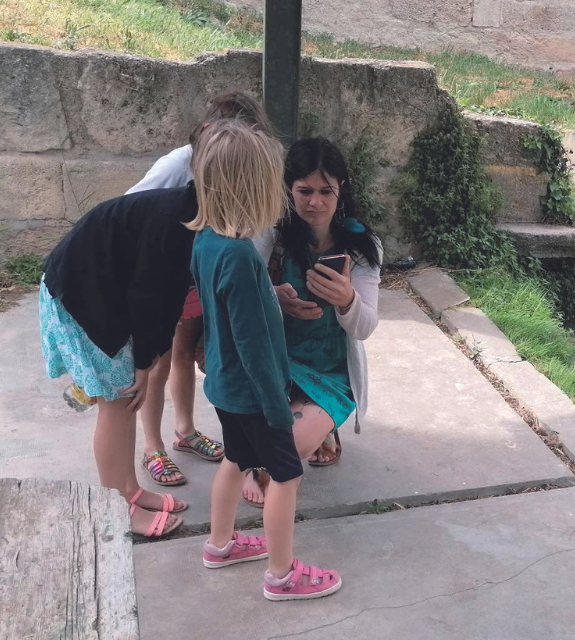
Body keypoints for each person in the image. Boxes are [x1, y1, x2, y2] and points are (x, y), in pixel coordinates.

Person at [38, 137, 240, 538]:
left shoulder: (195, 214)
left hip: (104, 293)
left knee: (125, 399)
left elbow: (167, 303)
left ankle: (129, 489)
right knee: (117, 400)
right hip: (79, 295)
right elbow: (149, 296)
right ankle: (117, 508)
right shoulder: (176, 221)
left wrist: (150, 358)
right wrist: (146, 364)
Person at [192, 122, 344, 601]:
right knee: (286, 475)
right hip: (255, 394)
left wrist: (267, 294)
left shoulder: (207, 241)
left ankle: (220, 545)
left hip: (222, 385)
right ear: (254, 190)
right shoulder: (241, 256)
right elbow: (254, 345)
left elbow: (223, 312)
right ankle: (283, 575)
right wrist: (278, 408)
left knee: (236, 460)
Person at [126, 92, 276, 488]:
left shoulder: (230, 170)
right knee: (156, 360)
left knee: (183, 352)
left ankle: (185, 430)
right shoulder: (176, 165)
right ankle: (152, 446)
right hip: (166, 274)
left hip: (197, 275)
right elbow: (132, 209)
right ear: (211, 135)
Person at [240, 137, 383, 507]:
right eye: (304, 190)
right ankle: (291, 436)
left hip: (330, 370)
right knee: (269, 448)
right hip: (276, 362)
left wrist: (347, 300)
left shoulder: (362, 246)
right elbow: (238, 296)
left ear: (341, 192)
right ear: (288, 189)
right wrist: (275, 298)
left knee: (286, 447)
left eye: (325, 191)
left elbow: (365, 326)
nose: (315, 202)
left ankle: (319, 426)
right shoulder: (270, 233)